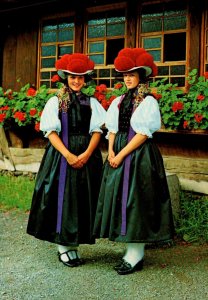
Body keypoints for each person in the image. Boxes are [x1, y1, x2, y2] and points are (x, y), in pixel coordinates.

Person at [93, 48, 174, 275]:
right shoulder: (118, 101)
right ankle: (130, 250)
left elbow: (142, 133)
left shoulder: (148, 102)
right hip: (117, 153)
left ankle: (135, 254)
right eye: (125, 75)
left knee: (136, 200)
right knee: (120, 198)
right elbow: (112, 129)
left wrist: (120, 154)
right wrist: (110, 151)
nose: (128, 78)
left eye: (132, 74)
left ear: (141, 76)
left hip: (139, 156)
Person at [27, 53, 106, 267]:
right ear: (66, 78)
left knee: (81, 198)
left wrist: (87, 154)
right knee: (62, 197)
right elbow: (51, 132)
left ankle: (75, 245)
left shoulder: (91, 103)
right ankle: (63, 247)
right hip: (62, 156)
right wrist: (69, 155)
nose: (76, 81)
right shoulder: (56, 102)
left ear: (85, 80)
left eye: (80, 78)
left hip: (86, 156)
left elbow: (97, 131)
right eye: (72, 77)